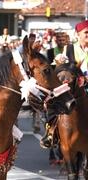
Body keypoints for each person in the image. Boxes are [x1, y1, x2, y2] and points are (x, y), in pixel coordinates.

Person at [41, 20, 88, 148]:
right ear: (78, 34)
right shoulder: (69, 48)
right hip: (71, 88)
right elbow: (60, 66)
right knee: (52, 100)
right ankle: (50, 132)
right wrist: (58, 61)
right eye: (86, 33)